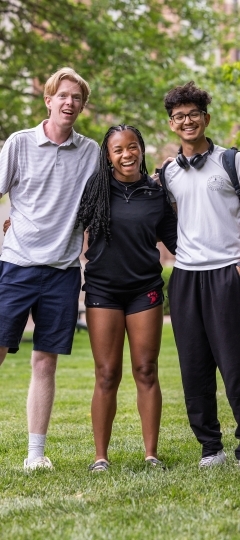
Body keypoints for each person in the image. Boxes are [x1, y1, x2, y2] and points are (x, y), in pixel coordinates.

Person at [0, 67, 100, 470]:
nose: (69, 103)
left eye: (77, 98)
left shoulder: (91, 151)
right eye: (63, 95)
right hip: (16, 266)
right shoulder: (20, 143)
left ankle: (35, 455)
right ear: (48, 99)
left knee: (45, 361)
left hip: (61, 271)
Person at [75, 124, 177, 471]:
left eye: (132, 147)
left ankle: (151, 455)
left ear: (141, 149)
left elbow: (176, 240)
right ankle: (100, 457)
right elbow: (65, 222)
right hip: (103, 290)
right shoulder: (97, 189)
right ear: (108, 156)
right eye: (118, 149)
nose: (127, 154)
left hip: (143, 290)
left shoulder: (156, 193)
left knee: (146, 370)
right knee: (106, 373)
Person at [161, 80, 240, 467]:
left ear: (206, 118)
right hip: (186, 277)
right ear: (172, 124)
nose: (187, 121)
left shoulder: (232, 162)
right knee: (193, 366)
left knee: (236, 363)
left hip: (229, 272)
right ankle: (211, 447)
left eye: (194, 114)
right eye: (179, 116)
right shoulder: (167, 173)